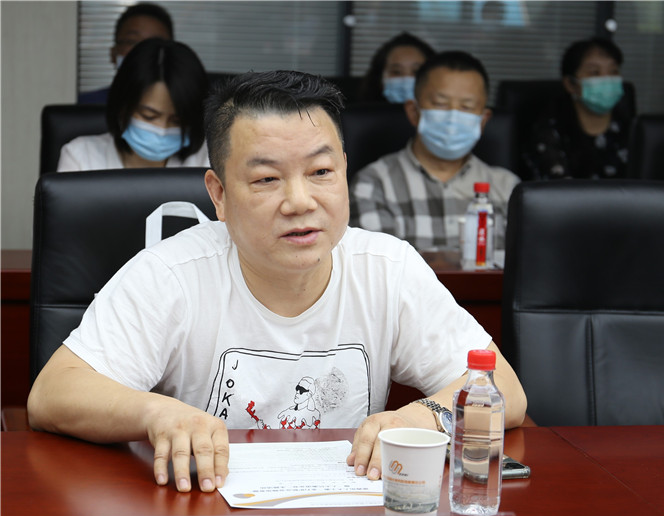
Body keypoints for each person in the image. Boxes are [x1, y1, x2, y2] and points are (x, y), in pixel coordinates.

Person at [27, 70, 527, 494]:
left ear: (345, 173)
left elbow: (503, 390)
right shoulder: (172, 273)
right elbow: (53, 393)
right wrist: (157, 414)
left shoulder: (387, 268)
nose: (300, 201)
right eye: (267, 179)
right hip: (201, 514)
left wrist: (422, 417)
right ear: (219, 195)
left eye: (321, 171)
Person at [350, 51, 520, 252]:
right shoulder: (374, 185)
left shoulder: (509, 190)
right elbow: (378, 265)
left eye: (467, 107)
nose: (453, 117)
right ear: (414, 112)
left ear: (483, 121)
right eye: (440, 104)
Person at [58, 38, 209, 171]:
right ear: (122, 107)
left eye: (176, 121)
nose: (161, 130)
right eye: (149, 116)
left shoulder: (208, 160)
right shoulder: (81, 157)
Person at [524, 37, 631, 180]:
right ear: (570, 84)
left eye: (613, 71)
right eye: (594, 72)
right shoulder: (550, 130)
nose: (606, 79)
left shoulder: (631, 129)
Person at [78, 2, 174, 104]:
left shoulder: (184, 107)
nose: (143, 51)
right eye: (132, 41)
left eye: (155, 43)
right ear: (113, 53)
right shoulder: (84, 106)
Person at [358, 32, 435, 103]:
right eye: (396, 72)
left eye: (416, 72)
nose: (406, 81)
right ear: (379, 77)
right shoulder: (358, 113)